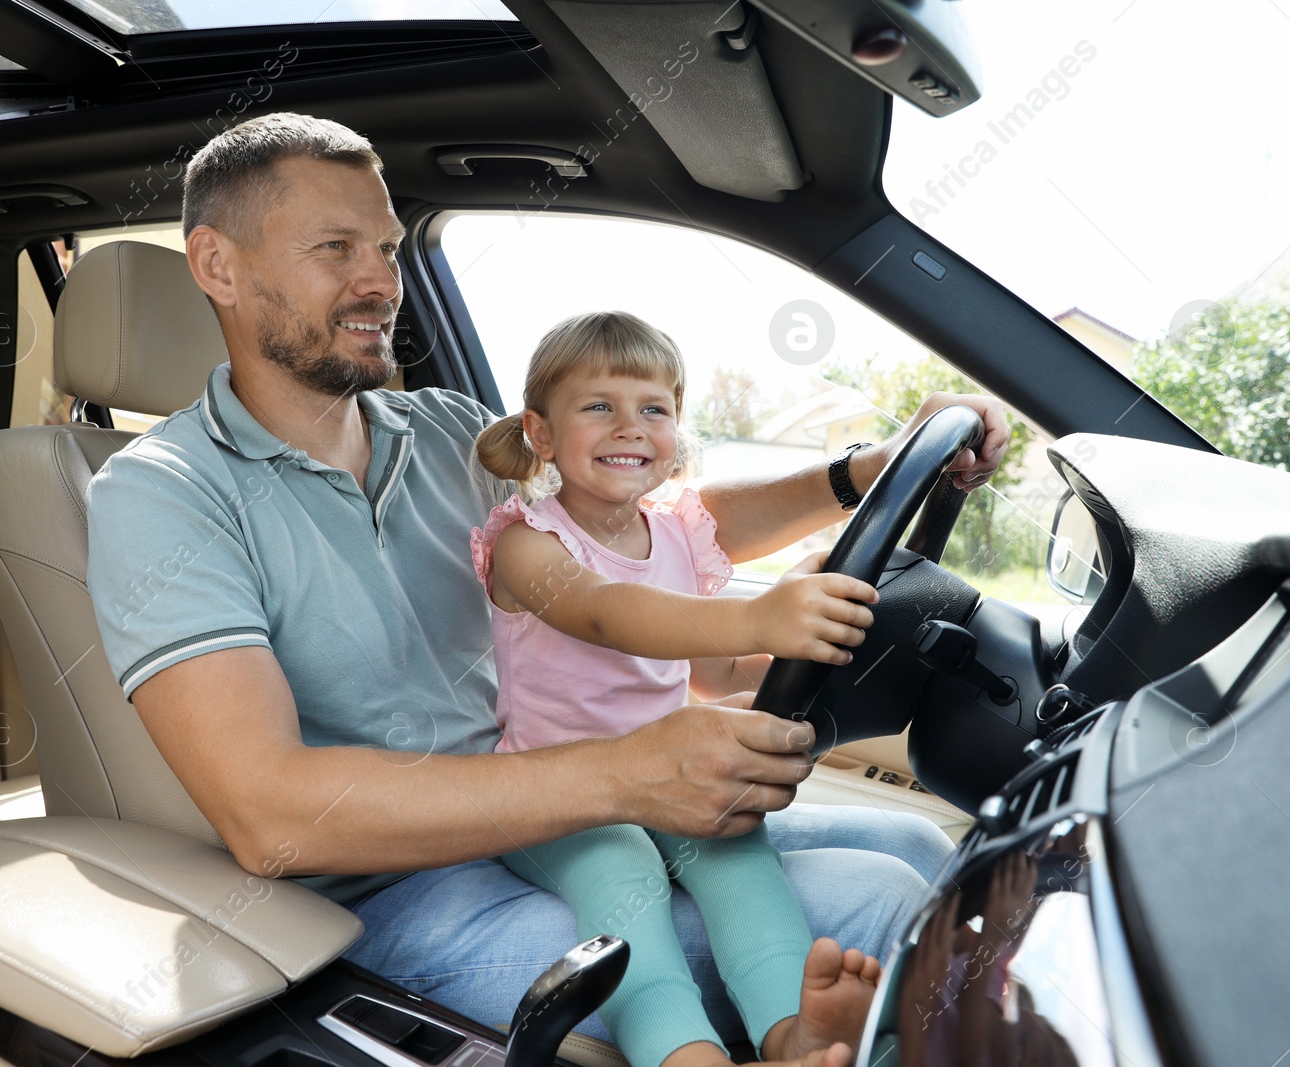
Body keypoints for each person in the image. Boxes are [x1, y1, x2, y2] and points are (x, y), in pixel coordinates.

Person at [84, 112, 1011, 1062]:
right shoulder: (165, 495)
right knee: (890, 905)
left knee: (929, 855)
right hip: (389, 897)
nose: (379, 282)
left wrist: (856, 474)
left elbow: (633, 519)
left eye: (388, 248)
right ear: (218, 266)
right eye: (335, 249)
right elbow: (270, 812)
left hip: (555, 808)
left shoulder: (444, 429)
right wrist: (631, 770)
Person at [471, 309, 895, 1067]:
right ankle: (682, 1052)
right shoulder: (525, 543)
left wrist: (811, 649)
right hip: (557, 795)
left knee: (737, 850)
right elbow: (608, 615)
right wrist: (760, 615)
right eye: (599, 406)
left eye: (654, 409)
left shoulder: (675, 536)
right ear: (541, 432)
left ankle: (793, 1032)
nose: (629, 427)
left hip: (668, 779)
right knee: (622, 871)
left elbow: (712, 673)